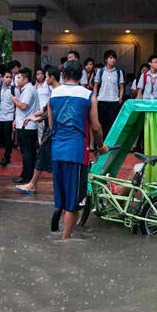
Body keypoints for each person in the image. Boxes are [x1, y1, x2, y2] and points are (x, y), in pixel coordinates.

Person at [49, 60, 106, 239]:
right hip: (76, 152)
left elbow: (51, 125)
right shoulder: (88, 95)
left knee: (62, 199)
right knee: (72, 203)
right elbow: (96, 127)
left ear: (63, 75)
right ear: (81, 75)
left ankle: (61, 238)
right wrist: (100, 146)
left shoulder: (54, 94)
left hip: (57, 151)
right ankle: (65, 242)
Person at [15, 68, 61, 195]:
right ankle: (32, 184)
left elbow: (50, 112)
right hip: (52, 130)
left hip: (53, 131)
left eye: (46, 76)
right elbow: (45, 109)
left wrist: (38, 118)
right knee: (42, 157)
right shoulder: (54, 91)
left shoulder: (58, 92)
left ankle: (32, 184)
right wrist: (32, 116)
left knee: (44, 157)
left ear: (52, 78)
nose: (45, 79)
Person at [12, 68, 40, 183]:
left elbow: (23, 106)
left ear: (25, 79)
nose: (17, 80)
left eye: (19, 77)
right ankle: (26, 175)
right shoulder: (27, 89)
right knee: (29, 152)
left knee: (27, 153)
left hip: (26, 126)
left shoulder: (28, 89)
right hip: (26, 125)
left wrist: (14, 100)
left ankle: (26, 177)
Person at [94, 49, 124, 138]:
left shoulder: (119, 72)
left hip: (114, 102)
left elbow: (121, 87)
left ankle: (110, 145)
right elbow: (96, 85)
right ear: (106, 59)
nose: (113, 60)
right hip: (101, 101)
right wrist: (95, 98)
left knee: (112, 125)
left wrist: (120, 98)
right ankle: (101, 145)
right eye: (110, 58)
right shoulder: (100, 71)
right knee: (101, 124)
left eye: (114, 58)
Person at [34, 67, 50, 143]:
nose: (40, 76)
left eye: (41, 74)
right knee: (40, 130)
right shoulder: (34, 87)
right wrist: (35, 86)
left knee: (47, 129)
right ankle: (41, 146)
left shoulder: (48, 85)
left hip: (46, 111)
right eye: (38, 74)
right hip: (38, 111)